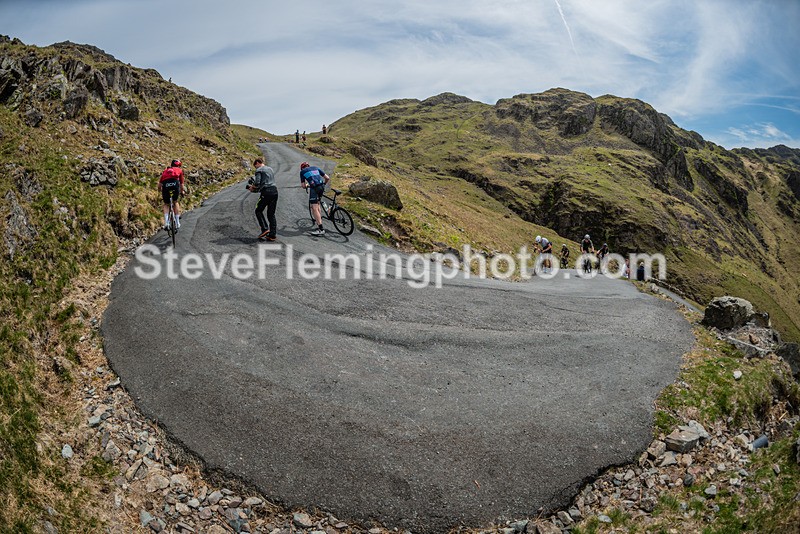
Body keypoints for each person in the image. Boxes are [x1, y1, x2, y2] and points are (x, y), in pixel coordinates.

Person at [248, 157, 278, 240]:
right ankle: (272, 235)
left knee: (258, 210)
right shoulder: (270, 169)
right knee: (271, 214)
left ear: (257, 163)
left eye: (255, 166)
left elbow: (257, 182)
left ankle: (264, 229)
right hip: (274, 191)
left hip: (266, 192)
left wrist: (252, 188)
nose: (256, 168)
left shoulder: (259, 170)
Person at [300, 161, 330, 236]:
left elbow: (303, 186)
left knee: (314, 208)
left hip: (314, 188)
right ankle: (319, 219)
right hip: (321, 186)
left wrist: (307, 185)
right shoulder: (316, 168)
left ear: (302, 168)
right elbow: (327, 178)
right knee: (318, 203)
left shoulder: (302, 172)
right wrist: (324, 184)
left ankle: (321, 229)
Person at [159, 159, 185, 229]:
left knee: (166, 204)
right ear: (178, 165)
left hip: (166, 185)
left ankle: (166, 223)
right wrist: (182, 191)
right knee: (175, 201)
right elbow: (182, 183)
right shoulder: (179, 170)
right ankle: (177, 222)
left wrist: (159, 191)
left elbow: (160, 184)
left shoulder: (165, 171)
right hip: (175, 184)